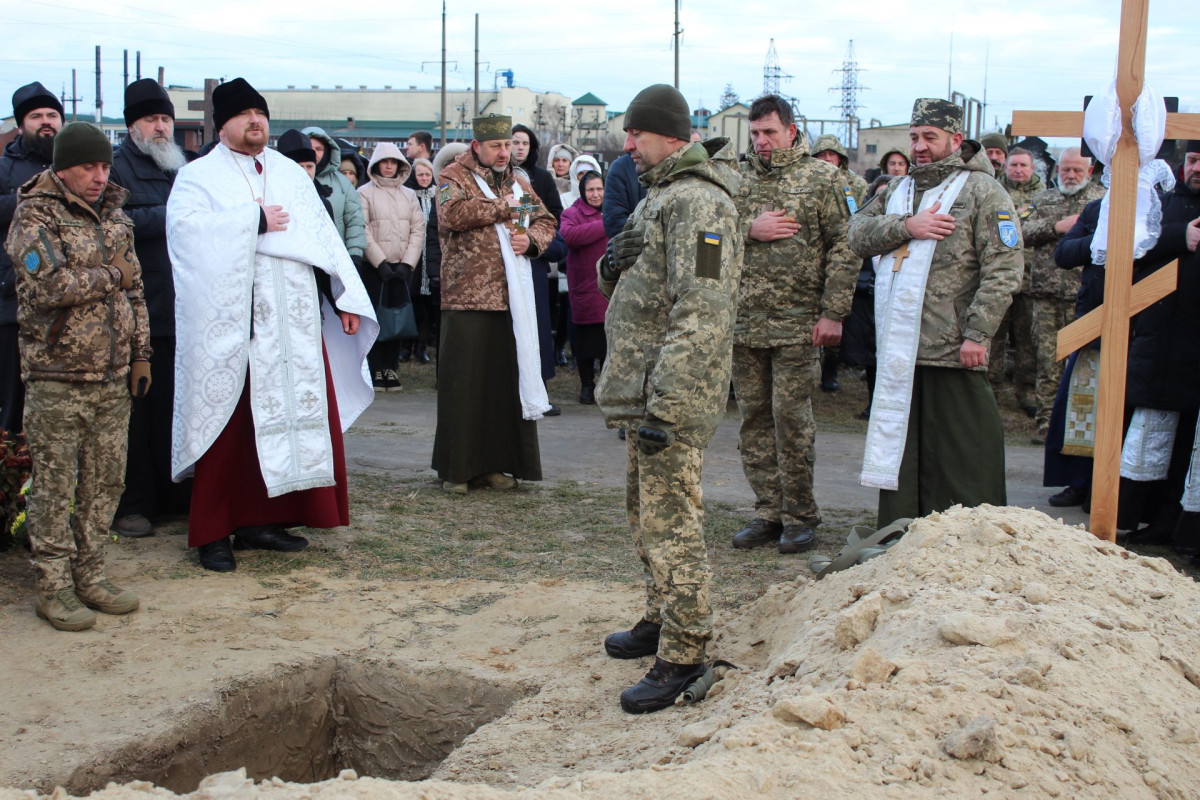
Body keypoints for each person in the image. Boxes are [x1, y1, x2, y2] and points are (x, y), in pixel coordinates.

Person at [167, 78, 377, 573]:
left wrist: (342, 297)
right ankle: (215, 533)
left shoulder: (288, 172)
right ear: (223, 125)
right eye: (244, 116)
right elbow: (185, 236)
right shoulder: (198, 177)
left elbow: (323, 241)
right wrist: (252, 221)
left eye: (260, 113)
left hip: (294, 321)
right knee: (230, 430)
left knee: (287, 416)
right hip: (236, 327)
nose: (255, 122)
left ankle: (266, 520)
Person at [596, 84, 742, 714]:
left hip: (669, 396)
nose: (628, 145)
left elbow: (703, 310)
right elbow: (629, 286)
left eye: (637, 134)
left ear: (672, 137)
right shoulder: (658, 197)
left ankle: (683, 653)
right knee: (643, 511)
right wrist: (611, 261)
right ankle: (660, 613)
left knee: (671, 520)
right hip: (643, 390)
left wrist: (671, 404)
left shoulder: (700, 204)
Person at [848, 98, 1021, 527]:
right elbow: (854, 234)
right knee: (905, 459)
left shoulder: (983, 190)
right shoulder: (898, 190)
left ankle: (968, 538)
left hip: (952, 347)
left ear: (956, 140)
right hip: (901, 353)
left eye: (930, 137)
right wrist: (906, 226)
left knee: (962, 455)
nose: (919, 147)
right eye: (913, 137)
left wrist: (978, 335)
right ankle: (901, 533)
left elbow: (1004, 268)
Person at [6, 122, 150, 630]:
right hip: (56, 376)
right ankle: (52, 586)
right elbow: (49, 286)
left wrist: (141, 355)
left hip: (112, 377)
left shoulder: (115, 215)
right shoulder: (33, 215)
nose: (99, 175)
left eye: (105, 166)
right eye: (88, 166)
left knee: (104, 482)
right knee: (54, 485)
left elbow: (136, 294)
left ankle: (90, 574)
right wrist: (113, 275)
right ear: (62, 167)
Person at [729, 94, 858, 555]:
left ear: (791, 131)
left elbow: (846, 248)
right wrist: (748, 228)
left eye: (770, 132)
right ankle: (767, 511)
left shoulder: (824, 179)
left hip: (797, 324)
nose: (762, 142)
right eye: (756, 133)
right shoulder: (734, 178)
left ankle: (800, 516)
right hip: (743, 323)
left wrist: (833, 312)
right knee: (754, 419)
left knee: (791, 419)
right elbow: (710, 233)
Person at [431, 114, 557, 494]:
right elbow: (453, 215)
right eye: (496, 147)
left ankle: (496, 465)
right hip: (466, 297)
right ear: (477, 147)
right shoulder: (453, 177)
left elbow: (547, 220)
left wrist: (531, 241)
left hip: (510, 298)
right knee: (463, 386)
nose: (504, 153)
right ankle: (457, 470)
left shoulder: (518, 183)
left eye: (507, 145)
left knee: (502, 386)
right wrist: (504, 207)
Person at [107, 79, 192, 539]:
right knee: (135, 414)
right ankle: (133, 503)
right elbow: (115, 223)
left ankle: (173, 495)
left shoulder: (182, 168)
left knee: (173, 408)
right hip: (137, 311)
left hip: (184, 308)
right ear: (132, 125)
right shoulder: (116, 169)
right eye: (151, 119)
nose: (160, 127)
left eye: (165, 119)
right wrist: (174, 217)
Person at [1021, 148, 1105, 443]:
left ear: (1090, 171)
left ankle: (1080, 426)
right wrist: (1055, 227)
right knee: (1047, 361)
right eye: (1065, 170)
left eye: (1077, 171)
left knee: (1084, 364)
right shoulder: (1043, 199)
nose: (1069, 176)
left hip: (1084, 297)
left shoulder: (1102, 201)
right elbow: (1020, 230)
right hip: (1045, 294)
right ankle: (1047, 424)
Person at [1, 82, 64, 435]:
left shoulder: (77, 167)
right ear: (21, 123)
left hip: (67, 306)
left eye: (52, 115)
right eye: (36, 116)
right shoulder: (4, 168)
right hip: (14, 303)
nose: (46, 122)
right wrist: (37, 203)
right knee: (14, 406)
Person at [357, 143, 426, 383]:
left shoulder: (409, 195)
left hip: (402, 268)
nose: (388, 166)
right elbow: (362, 229)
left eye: (393, 162)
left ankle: (391, 367)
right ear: (376, 165)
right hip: (376, 269)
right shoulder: (364, 193)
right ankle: (375, 367)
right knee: (376, 319)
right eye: (384, 162)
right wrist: (380, 262)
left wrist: (408, 263)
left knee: (398, 317)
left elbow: (418, 229)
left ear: (400, 165)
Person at [510, 125, 564, 404]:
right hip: (506, 263)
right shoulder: (495, 179)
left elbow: (554, 216)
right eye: (514, 142)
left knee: (538, 325)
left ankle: (540, 388)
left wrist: (533, 236)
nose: (519, 148)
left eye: (525, 143)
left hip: (535, 259)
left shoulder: (541, 178)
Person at [990, 146, 1040, 413]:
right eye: (1014, 165)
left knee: (1027, 341)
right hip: (998, 279)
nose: (1018, 170)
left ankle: (1026, 391)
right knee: (993, 339)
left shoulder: (1045, 198)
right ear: (1006, 167)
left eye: (1023, 166)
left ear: (1033, 169)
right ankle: (990, 391)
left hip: (1031, 282)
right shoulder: (994, 192)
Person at [559, 170, 608, 405]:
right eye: (590, 189)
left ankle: (608, 388)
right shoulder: (571, 213)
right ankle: (587, 385)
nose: (596, 194)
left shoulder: (613, 209)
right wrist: (606, 225)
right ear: (582, 191)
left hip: (609, 285)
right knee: (585, 342)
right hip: (584, 286)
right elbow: (570, 236)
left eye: (599, 189)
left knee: (609, 341)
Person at [302, 126, 367, 268]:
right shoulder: (288, 180)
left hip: (336, 259)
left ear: (327, 150)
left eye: (319, 149)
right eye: (309, 147)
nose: (314, 153)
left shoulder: (342, 182)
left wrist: (355, 255)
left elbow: (355, 220)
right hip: (301, 260)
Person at [410, 157, 442, 362]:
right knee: (412, 304)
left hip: (432, 257)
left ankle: (422, 346)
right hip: (413, 256)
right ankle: (406, 346)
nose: (423, 178)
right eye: (420, 174)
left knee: (428, 307)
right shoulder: (408, 195)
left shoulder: (438, 194)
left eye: (427, 174)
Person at [811, 134, 869, 209]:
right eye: (822, 154)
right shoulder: (807, 182)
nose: (827, 158)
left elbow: (865, 214)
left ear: (840, 158)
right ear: (815, 158)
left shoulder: (857, 184)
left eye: (832, 154)